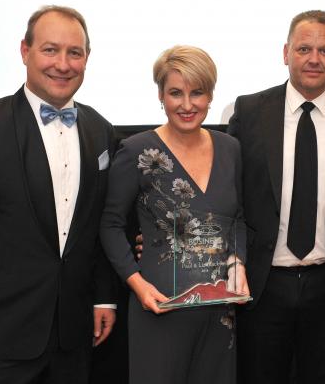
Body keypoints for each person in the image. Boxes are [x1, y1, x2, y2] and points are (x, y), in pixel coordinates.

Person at [0, 5, 117, 384]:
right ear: (24, 51)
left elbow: (97, 224)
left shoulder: (101, 129)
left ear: (87, 58)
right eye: (50, 50)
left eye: (74, 53)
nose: (63, 64)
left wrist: (103, 297)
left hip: (74, 335)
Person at [227, 9, 325, 384]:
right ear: (285, 53)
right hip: (262, 284)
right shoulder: (249, 111)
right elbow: (232, 199)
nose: (314, 59)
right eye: (304, 49)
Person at [100, 45, 250, 384]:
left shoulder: (230, 148)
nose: (187, 105)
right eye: (175, 93)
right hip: (159, 306)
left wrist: (237, 264)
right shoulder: (136, 151)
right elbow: (110, 224)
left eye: (197, 93)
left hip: (219, 310)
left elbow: (237, 219)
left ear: (211, 95)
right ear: (160, 95)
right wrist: (137, 284)